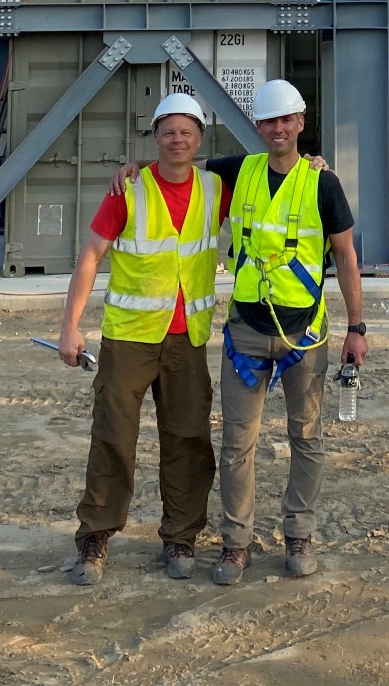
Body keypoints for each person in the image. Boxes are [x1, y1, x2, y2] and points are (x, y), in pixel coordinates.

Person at [58, 92, 226, 587]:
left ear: (199, 138)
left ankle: (181, 535)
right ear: (155, 138)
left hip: (186, 337)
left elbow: (274, 170)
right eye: (168, 132)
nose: (178, 140)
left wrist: (314, 162)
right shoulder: (127, 189)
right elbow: (90, 255)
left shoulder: (218, 188)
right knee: (113, 437)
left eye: (187, 132)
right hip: (129, 338)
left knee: (189, 438)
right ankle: (96, 536)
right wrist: (70, 325)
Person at [206, 80, 366, 587]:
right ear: (258, 127)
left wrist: (356, 328)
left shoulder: (323, 184)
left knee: (307, 437)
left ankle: (299, 533)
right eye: (268, 122)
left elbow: (345, 257)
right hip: (246, 336)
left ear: (300, 123)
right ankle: (236, 543)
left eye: (286, 120)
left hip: (304, 338)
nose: (278, 129)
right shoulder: (240, 171)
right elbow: (177, 171)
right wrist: (132, 170)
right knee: (237, 443)